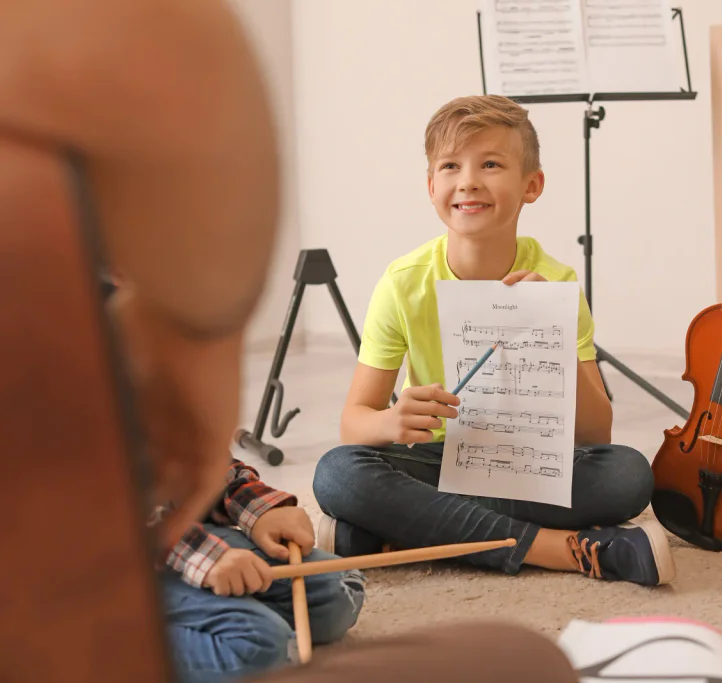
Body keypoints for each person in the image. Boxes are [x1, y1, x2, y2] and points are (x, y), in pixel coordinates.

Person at [0, 1, 583, 681]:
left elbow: (196, 463)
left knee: (334, 596)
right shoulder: (49, 328)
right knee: (266, 627)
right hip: (95, 559)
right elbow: (78, 512)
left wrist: (257, 509)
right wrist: (205, 556)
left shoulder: (135, 300)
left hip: (181, 524)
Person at [312, 94, 675, 587]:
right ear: (430, 185)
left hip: (529, 465)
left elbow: (596, 434)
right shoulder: (402, 283)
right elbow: (354, 423)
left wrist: (557, 333)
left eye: (490, 163)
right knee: (337, 473)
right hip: (438, 462)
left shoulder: (557, 282)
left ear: (532, 185)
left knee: (627, 475)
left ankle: (396, 533)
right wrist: (393, 422)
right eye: (450, 166)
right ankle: (554, 548)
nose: (468, 181)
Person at [159, 456, 366, 683]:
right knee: (258, 648)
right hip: (125, 565)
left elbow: (207, 462)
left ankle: (228, 616)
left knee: (340, 591)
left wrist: (261, 510)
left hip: (181, 530)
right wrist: (205, 557)